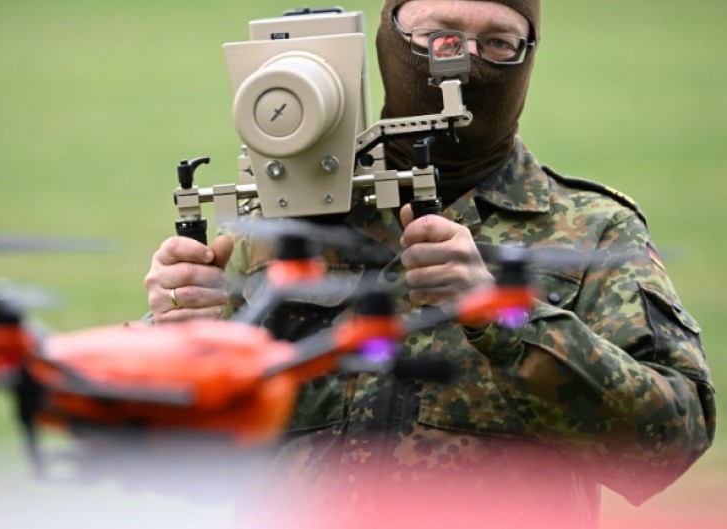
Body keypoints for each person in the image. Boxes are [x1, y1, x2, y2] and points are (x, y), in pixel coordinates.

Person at [143, 0, 716, 527]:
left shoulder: (592, 230)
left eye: (498, 43)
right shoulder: (272, 233)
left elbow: (667, 446)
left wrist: (504, 316)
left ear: (527, 57)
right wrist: (169, 343)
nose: (466, 62)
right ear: (390, 43)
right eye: (439, 38)